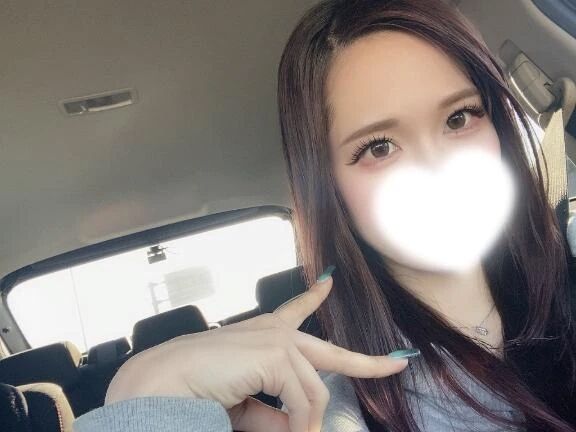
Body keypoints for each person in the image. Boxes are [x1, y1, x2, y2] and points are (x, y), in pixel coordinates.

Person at [73, 0, 576, 431]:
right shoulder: (342, 410)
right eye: (379, 147)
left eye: (459, 117)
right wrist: (144, 396)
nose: (438, 167)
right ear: (331, 191)